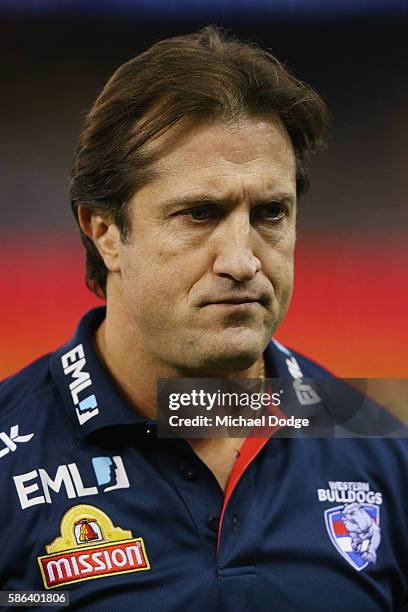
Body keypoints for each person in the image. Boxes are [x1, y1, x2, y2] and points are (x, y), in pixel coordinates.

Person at [1, 27, 407, 611]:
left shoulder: (383, 455)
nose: (242, 261)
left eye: (271, 212)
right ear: (105, 232)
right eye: (198, 213)